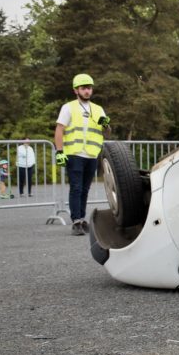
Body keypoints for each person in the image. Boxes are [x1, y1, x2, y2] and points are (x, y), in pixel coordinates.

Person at [54, 73, 110, 236]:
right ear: (76, 90)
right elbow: (59, 129)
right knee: (76, 188)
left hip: (91, 155)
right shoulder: (68, 107)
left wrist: (106, 125)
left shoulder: (98, 109)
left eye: (89, 88)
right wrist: (59, 151)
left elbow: (107, 133)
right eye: (83, 88)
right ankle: (76, 221)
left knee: (85, 189)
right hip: (74, 153)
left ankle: (82, 218)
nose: (87, 91)